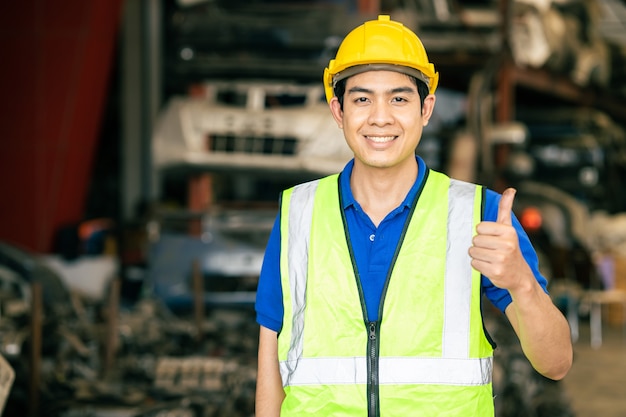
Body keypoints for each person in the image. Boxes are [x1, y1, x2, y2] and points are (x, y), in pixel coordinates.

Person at [255, 15, 573, 417]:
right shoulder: (298, 214)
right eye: (362, 98)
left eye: (399, 98)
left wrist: (522, 283)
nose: (380, 117)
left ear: (426, 109)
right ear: (338, 111)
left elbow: (557, 363)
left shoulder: (480, 215)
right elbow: (270, 358)